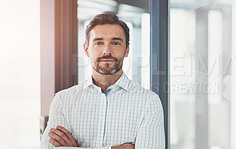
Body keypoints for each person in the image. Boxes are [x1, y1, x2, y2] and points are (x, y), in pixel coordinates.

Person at [40, 12, 165, 149]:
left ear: (127, 49)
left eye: (115, 43)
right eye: (99, 43)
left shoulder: (148, 102)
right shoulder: (63, 100)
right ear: (86, 49)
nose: (107, 51)